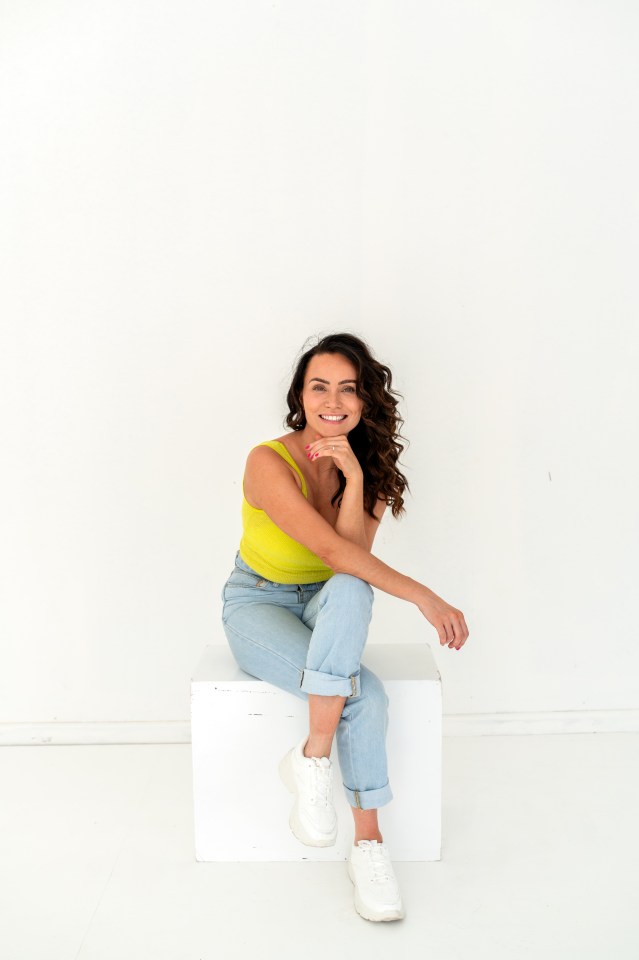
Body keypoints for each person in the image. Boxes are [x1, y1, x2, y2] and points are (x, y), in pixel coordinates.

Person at [221, 332, 469, 922]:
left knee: (354, 587)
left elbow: (352, 564)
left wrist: (356, 478)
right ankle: (366, 835)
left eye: (348, 389)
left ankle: (322, 774)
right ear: (300, 396)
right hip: (258, 605)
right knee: (367, 694)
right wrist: (424, 597)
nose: (333, 400)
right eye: (319, 386)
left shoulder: (372, 473)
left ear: (364, 401)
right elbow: (335, 551)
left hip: (325, 604)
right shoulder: (267, 462)